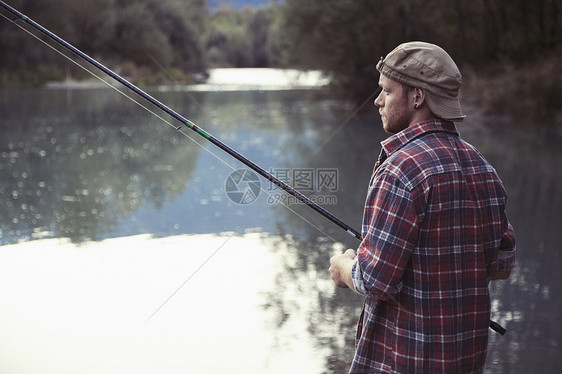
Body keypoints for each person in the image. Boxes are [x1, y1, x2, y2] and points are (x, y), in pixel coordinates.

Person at [329, 41, 516, 373]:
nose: (378, 100)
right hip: (465, 361)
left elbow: (375, 281)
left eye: (387, 91)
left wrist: (345, 267)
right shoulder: (483, 168)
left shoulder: (400, 170)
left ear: (417, 98)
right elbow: (501, 262)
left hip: (403, 362)